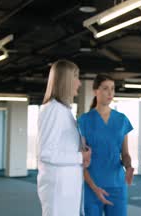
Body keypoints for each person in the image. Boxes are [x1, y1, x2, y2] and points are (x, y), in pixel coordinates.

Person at [37, 59, 91, 216]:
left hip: (66, 186)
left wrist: (82, 149)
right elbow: (46, 153)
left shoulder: (64, 110)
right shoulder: (53, 109)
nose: (79, 83)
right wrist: (80, 156)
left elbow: (62, 145)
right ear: (66, 80)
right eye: (76, 77)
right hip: (58, 188)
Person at [78, 74, 134, 216]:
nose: (110, 93)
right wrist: (94, 187)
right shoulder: (84, 121)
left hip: (117, 185)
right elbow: (81, 160)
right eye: (105, 88)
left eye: (113, 89)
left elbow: (125, 154)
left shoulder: (122, 120)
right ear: (96, 91)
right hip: (92, 185)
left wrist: (128, 167)